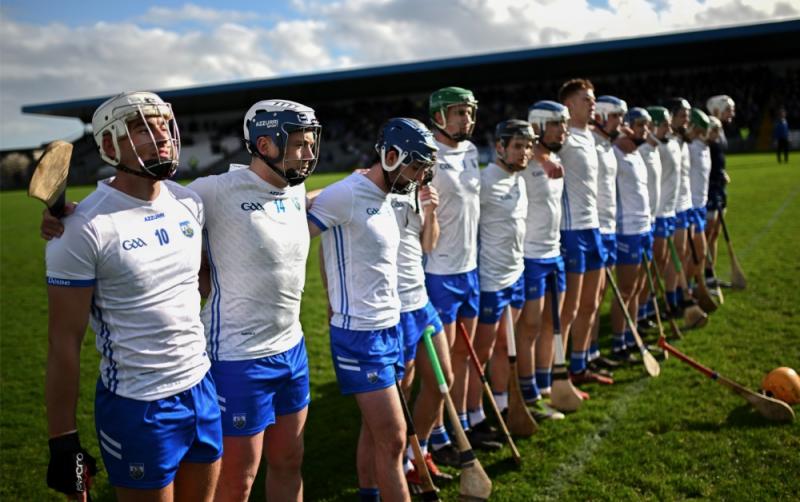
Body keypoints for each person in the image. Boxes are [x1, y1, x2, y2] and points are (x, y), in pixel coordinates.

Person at [43, 91, 222, 501]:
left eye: (164, 125)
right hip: (138, 405)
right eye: (143, 127)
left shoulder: (189, 202)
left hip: (202, 387)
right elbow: (63, 343)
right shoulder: (82, 228)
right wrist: (63, 441)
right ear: (108, 145)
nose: (162, 135)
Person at [186, 99, 322, 502]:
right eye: (299, 144)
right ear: (264, 145)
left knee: (289, 462)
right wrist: (67, 218)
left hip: (292, 350)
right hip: (236, 358)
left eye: (311, 142)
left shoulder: (296, 192)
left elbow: (337, 195)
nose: (310, 153)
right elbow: (145, 208)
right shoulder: (212, 191)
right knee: (237, 483)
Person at [307, 117, 437, 502]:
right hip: (359, 336)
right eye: (415, 167)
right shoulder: (347, 194)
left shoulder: (388, 197)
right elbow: (292, 229)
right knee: (395, 439)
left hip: (389, 327)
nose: (418, 177)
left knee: (375, 430)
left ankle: (369, 495)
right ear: (391, 156)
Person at [422, 87, 492, 455]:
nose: (467, 119)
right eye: (459, 112)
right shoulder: (428, 156)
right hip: (440, 273)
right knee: (441, 365)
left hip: (470, 268)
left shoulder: (470, 151)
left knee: (465, 354)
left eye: (469, 112)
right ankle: (436, 433)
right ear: (439, 117)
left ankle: (464, 421)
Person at [387, 134, 454, 488]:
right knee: (401, 394)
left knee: (442, 382)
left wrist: (430, 212)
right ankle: (396, 465)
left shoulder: (418, 192)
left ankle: (420, 452)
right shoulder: (372, 190)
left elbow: (429, 244)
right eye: (418, 165)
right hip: (391, 310)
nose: (422, 173)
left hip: (420, 302)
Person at [466, 119, 533, 435]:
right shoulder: (484, 182)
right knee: (481, 351)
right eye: (518, 146)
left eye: (528, 146)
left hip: (516, 275)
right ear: (500, 147)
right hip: (490, 281)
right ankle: (474, 414)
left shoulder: (519, 179)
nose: (525, 153)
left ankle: (504, 403)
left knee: (508, 344)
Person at [505, 101, 569, 419]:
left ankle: (547, 386)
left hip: (554, 253)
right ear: (540, 126)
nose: (564, 130)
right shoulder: (525, 163)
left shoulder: (554, 158)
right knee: (529, 327)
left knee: (552, 323)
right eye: (558, 123)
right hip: (530, 256)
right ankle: (528, 393)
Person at [556, 78, 611, 387]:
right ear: (569, 105)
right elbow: (534, 145)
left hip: (594, 228)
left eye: (593, 99)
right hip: (571, 230)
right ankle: (558, 373)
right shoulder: (560, 136)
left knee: (591, 303)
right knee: (570, 308)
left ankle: (580, 364)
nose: (593, 104)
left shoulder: (590, 135)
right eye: (587, 100)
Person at [588, 95, 629, 369]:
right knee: (589, 300)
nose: (621, 123)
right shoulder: (589, 142)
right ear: (601, 116)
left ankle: (590, 351)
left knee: (599, 296)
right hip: (594, 229)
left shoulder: (607, 145)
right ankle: (584, 355)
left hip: (610, 228)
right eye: (616, 116)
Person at [611, 108, 652, 360]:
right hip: (626, 230)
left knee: (637, 288)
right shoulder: (614, 153)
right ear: (626, 126)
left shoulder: (637, 153)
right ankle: (618, 343)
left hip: (643, 227)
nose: (644, 130)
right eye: (640, 125)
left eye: (647, 125)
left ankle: (631, 335)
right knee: (625, 289)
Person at [648, 106, 680, 312]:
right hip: (657, 212)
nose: (670, 129)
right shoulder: (652, 148)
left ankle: (656, 302)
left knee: (664, 260)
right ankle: (647, 305)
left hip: (669, 210)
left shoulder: (670, 144)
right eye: (665, 125)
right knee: (654, 263)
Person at [704, 95, 735, 288]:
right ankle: (698, 278)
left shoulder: (720, 130)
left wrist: (721, 173)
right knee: (705, 234)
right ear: (716, 110)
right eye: (728, 109)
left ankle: (709, 274)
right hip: (709, 189)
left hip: (719, 187)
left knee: (714, 234)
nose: (732, 113)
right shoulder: (708, 130)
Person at [686, 108, 712, 294]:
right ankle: (686, 287)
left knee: (698, 253)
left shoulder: (704, 148)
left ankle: (692, 286)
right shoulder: (690, 148)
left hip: (701, 205)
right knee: (698, 251)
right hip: (691, 206)